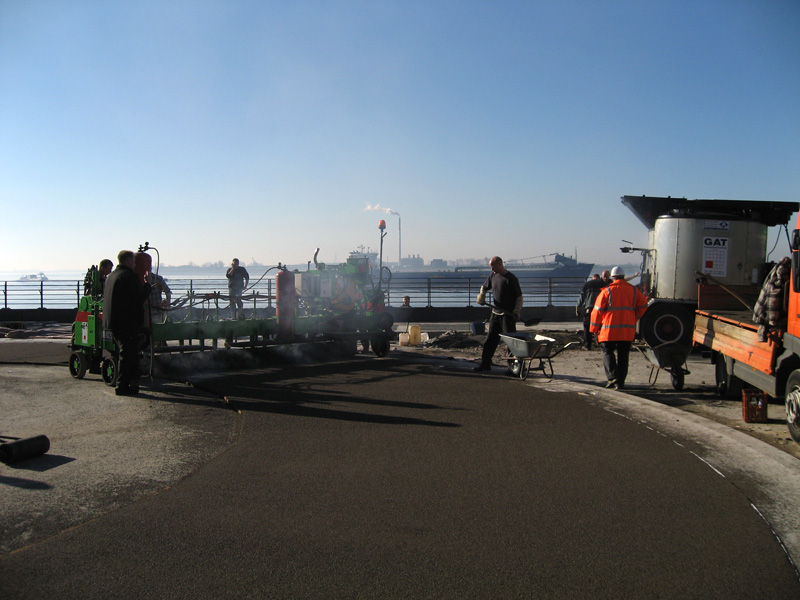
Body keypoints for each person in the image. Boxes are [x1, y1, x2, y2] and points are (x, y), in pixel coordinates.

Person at [590, 266, 648, 389]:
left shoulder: (607, 291)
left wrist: (594, 329)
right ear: (623, 277)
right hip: (627, 331)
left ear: (612, 277)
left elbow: (597, 312)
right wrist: (634, 318)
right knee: (623, 355)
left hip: (609, 330)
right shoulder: (633, 290)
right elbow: (643, 305)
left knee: (608, 352)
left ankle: (612, 377)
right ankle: (620, 382)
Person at [103, 250, 151, 396]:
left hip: (113, 321)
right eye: (134, 262)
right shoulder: (128, 276)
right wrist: (147, 284)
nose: (135, 264)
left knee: (126, 353)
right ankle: (122, 386)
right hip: (126, 322)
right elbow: (139, 297)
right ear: (129, 261)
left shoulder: (111, 276)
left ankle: (130, 384)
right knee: (128, 355)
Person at [473, 256, 523, 373]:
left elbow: (519, 298)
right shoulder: (493, 276)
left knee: (511, 341)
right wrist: (482, 296)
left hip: (508, 315)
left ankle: (514, 369)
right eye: (491, 267)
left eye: (493, 267)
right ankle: (485, 364)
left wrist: (517, 311)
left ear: (500, 264)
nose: (492, 269)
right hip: (495, 314)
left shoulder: (511, 278)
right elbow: (484, 287)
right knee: (490, 339)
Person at [753, 257, 791, 342]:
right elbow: (772, 306)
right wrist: (773, 322)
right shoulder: (777, 284)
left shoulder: (774, 278)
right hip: (769, 317)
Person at [576, 273, 607, 350]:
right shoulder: (604, 284)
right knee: (601, 327)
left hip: (589, 309)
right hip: (602, 309)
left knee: (587, 327)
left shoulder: (588, 284)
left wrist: (578, 307)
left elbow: (582, 297)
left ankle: (587, 345)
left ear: (592, 278)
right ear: (599, 278)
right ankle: (601, 343)